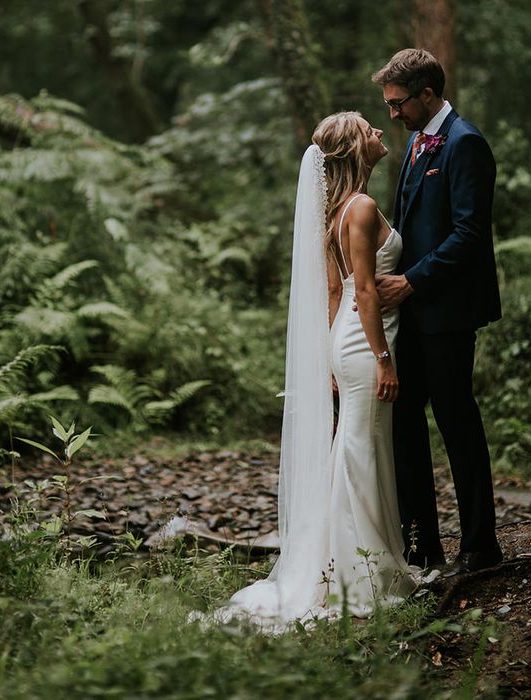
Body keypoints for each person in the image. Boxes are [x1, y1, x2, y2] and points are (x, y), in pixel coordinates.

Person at [202, 111, 423, 633]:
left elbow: (333, 291)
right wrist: (384, 360)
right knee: (361, 448)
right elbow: (365, 291)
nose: (378, 132)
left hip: (348, 339)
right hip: (368, 340)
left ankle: (351, 563)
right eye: (369, 129)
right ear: (354, 148)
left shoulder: (336, 210)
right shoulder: (362, 208)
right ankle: (361, 574)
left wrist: (331, 356)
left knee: (357, 445)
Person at [372, 49, 503, 575]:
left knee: (456, 422)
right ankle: (423, 545)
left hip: (447, 312)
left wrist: (411, 281)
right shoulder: (415, 143)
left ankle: (480, 546)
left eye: (398, 103)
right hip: (411, 315)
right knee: (405, 421)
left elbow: (470, 234)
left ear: (428, 93)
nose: (392, 114)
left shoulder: (465, 143)